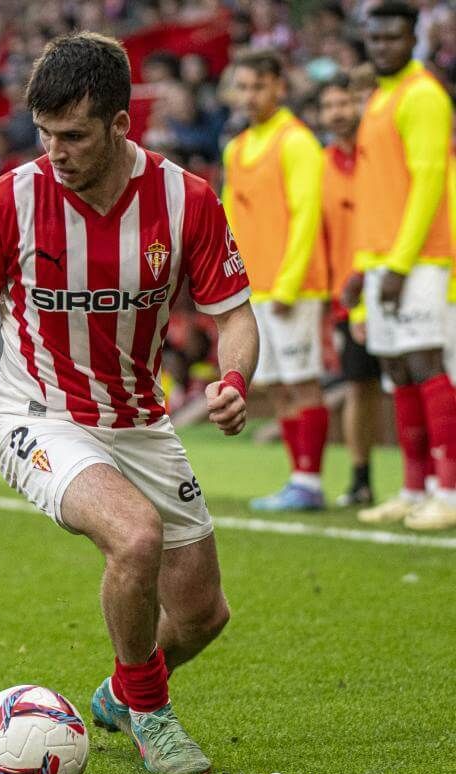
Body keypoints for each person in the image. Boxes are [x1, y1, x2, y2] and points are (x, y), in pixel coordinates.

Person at [0, 32, 259, 774]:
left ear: (122, 125)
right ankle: (154, 717)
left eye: (73, 135)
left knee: (201, 615)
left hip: (139, 419)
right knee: (135, 537)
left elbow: (235, 315)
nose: (54, 151)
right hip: (38, 414)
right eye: (45, 134)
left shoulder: (186, 200)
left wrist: (233, 381)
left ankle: (121, 692)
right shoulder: (11, 202)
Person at [345, 2, 455, 531]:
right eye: (375, 39)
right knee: (395, 369)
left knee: (427, 365)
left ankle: (449, 491)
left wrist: (400, 264)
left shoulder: (425, 96)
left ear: (413, 38)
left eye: (392, 38)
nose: (382, 47)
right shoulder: (382, 99)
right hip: (383, 260)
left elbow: (429, 184)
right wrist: (364, 267)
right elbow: (378, 193)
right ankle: (414, 488)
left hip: (422, 259)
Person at [223, 50, 329, 512]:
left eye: (258, 87)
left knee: (303, 381)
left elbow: (307, 215)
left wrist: (288, 282)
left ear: (278, 88)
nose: (249, 96)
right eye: (242, 87)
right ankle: (298, 479)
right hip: (255, 289)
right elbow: (228, 220)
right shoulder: (237, 147)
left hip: (293, 287)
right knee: (278, 385)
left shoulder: (297, 141)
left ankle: (311, 480)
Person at [318, 74, 381, 507]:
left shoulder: (381, 154)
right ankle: (362, 480)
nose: (338, 112)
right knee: (360, 385)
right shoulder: (320, 164)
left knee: (422, 378)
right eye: (330, 105)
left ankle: (437, 480)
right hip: (345, 295)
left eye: (347, 102)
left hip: (392, 280)